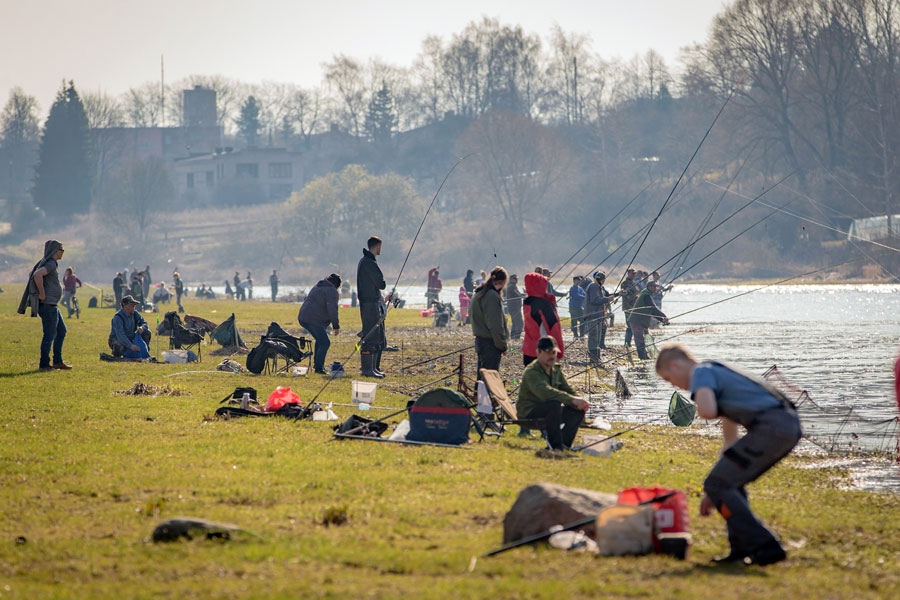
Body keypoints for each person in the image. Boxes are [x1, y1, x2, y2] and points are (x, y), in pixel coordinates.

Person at [655, 345, 802, 566]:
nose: (674, 385)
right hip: (784, 426)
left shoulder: (701, 373)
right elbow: (730, 443)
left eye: (669, 379)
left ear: (675, 365)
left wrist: (699, 404)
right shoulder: (716, 377)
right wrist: (714, 492)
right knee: (725, 483)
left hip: (773, 427)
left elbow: (707, 411)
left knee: (720, 484)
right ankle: (740, 549)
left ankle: (766, 547)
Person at [517, 336, 590, 451]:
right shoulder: (531, 372)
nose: (552, 356)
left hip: (550, 412)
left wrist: (579, 401)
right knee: (554, 404)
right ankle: (556, 445)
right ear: (538, 352)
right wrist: (571, 399)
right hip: (529, 412)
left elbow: (567, 389)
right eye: (548, 352)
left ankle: (564, 446)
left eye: (554, 352)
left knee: (576, 410)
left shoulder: (556, 370)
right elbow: (545, 392)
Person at [21, 240, 71, 370]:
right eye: (61, 250)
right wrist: (42, 293)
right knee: (50, 334)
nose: (63, 252)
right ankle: (44, 364)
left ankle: (57, 361)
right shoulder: (51, 264)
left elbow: (32, 274)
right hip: (48, 305)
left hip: (53, 305)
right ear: (55, 251)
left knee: (61, 331)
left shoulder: (51, 263)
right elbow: (37, 275)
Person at [357, 236, 390, 378]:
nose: (380, 249)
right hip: (370, 303)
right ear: (376, 247)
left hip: (370, 302)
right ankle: (367, 370)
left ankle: (373, 368)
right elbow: (380, 283)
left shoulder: (365, 261)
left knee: (376, 334)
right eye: (380, 247)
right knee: (370, 334)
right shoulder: (368, 263)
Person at [298, 273, 342, 374]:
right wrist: (336, 326)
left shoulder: (318, 286)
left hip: (303, 316)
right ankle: (319, 368)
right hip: (313, 319)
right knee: (325, 342)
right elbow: (332, 309)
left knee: (320, 339)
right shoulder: (332, 291)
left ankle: (317, 365)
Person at [469, 266, 509, 378]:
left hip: (482, 342)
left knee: (481, 379)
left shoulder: (481, 293)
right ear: (501, 282)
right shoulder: (491, 296)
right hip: (490, 344)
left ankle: (478, 395)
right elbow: (495, 325)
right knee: (489, 380)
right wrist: (502, 346)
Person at [522, 271, 564, 367]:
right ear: (539, 285)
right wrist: (559, 352)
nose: (546, 286)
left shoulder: (527, 302)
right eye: (544, 283)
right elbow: (554, 329)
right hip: (543, 352)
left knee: (530, 379)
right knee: (544, 381)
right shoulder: (544, 305)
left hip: (528, 350)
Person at [584, 271, 618, 364]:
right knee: (594, 337)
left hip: (598, 316)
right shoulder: (594, 286)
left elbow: (602, 298)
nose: (604, 282)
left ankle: (596, 359)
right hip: (593, 316)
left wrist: (615, 296)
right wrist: (608, 299)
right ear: (601, 280)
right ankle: (593, 359)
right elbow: (595, 300)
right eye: (603, 280)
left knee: (597, 338)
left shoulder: (598, 287)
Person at [631, 280, 668, 360]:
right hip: (637, 321)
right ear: (649, 287)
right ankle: (642, 358)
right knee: (639, 340)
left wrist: (662, 319)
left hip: (641, 322)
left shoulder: (647, 294)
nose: (656, 288)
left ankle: (645, 357)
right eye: (654, 286)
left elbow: (652, 312)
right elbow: (653, 308)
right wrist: (664, 316)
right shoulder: (646, 296)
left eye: (656, 286)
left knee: (643, 339)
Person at [108, 295, 151, 359]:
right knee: (119, 346)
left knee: (147, 332)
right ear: (125, 306)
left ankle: (142, 352)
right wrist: (131, 346)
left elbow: (145, 323)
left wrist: (142, 327)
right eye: (132, 305)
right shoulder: (118, 318)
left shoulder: (135, 314)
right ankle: (117, 355)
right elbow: (121, 336)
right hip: (117, 339)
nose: (134, 307)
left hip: (131, 337)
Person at [620, 268, 640, 348]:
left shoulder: (634, 283)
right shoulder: (624, 283)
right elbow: (626, 294)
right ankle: (627, 342)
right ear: (628, 273)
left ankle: (628, 342)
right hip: (628, 307)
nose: (634, 275)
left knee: (633, 324)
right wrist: (634, 296)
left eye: (635, 274)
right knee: (630, 325)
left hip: (633, 307)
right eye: (632, 273)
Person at [505, 273, 524, 340]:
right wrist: (525, 296)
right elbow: (518, 295)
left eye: (517, 279)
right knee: (519, 323)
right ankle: (516, 337)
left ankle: (513, 338)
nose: (516, 280)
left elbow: (518, 294)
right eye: (515, 279)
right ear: (511, 279)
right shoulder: (512, 287)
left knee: (515, 323)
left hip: (512, 308)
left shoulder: (511, 286)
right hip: (514, 308)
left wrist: (524, 293)